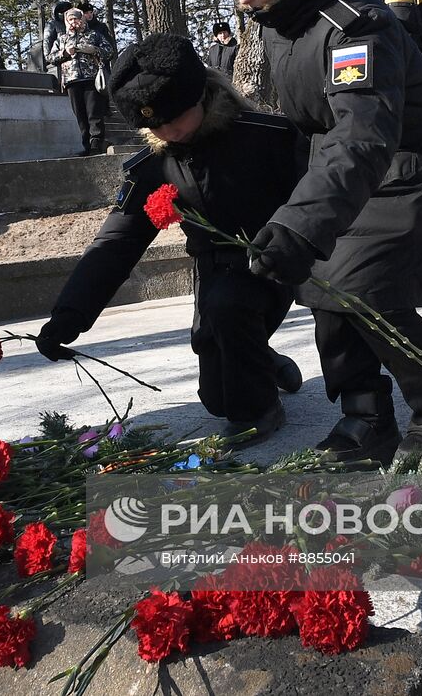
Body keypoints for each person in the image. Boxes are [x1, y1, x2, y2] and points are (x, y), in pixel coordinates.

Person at [190, 0, 422, 469]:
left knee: (359, 284)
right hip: (355, 165)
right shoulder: (288, 18)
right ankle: (365, 416)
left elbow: (360, 130)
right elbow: (315, 124)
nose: (242, 0)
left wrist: (303, 222)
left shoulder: (355, 24)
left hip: (410, 160)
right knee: (321, 282)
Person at [35, 35, 306, 443]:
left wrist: (296, 244)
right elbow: (117, 243)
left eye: (174, 117)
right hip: (213, 275)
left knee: (233, 331)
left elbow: (316, 199)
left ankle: (261, 411)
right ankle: (261, 358)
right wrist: (68, 316)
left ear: (199, 94)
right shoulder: (153, 165)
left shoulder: (269, 136)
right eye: (153, 125)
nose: (168, 131)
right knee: (216, 398)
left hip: (272, 264)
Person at [52, 6, 114, 156]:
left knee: (94, 113)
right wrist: (65, 52)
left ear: (82, 19)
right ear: (67, 21)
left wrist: (94, 50)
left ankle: (96, 143)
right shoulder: (62, 39)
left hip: (91, 79)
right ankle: (87, 145)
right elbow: (51, 58)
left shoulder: (94, 35)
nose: (74, 22)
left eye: (77, 18)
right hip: (72, 80)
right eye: (71, 19)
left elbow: (109, 51)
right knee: (80, 115)